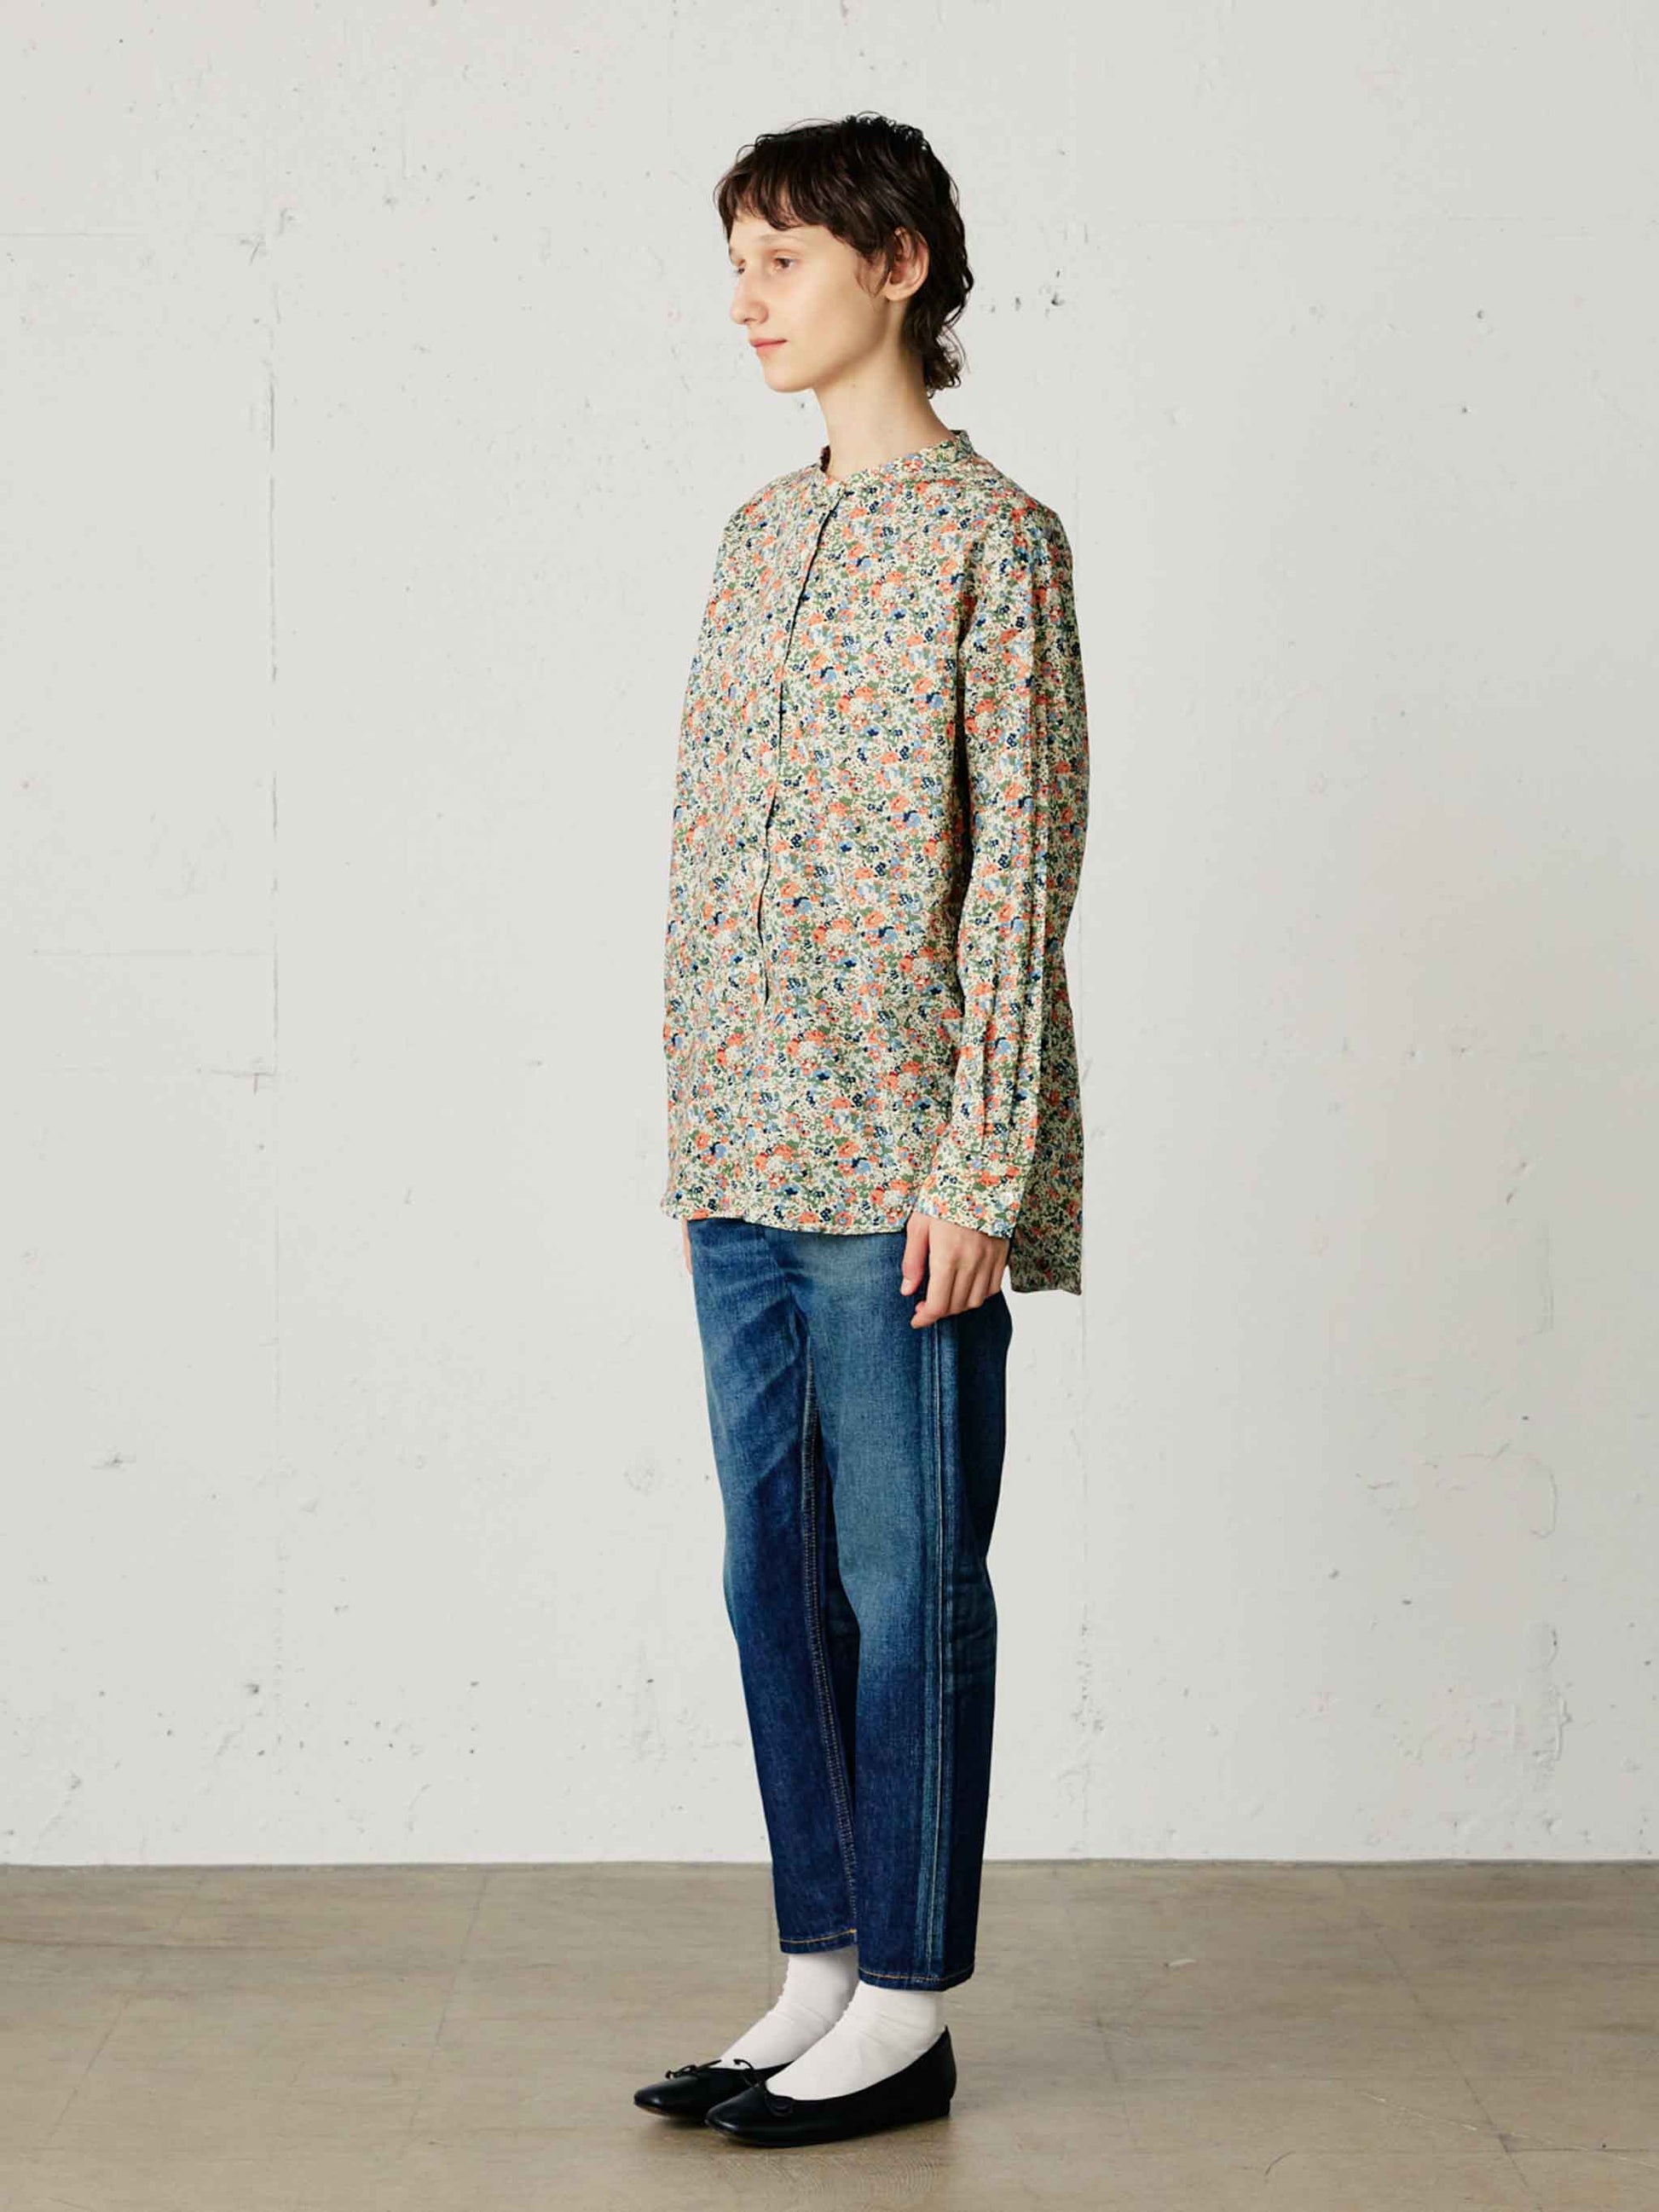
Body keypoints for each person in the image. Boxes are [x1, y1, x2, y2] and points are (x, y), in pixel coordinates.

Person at [636, 111, 1090, 2149]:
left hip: (904, 1163)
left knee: (912, 1585)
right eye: (735, 259)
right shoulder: (754, 537)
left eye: (783, 258)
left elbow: (1020, 874)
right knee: (774, 1578)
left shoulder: (1000, 541)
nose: (745, 299)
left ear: (897, 266)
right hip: (740, 1152)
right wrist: (693, 1126)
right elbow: (708, 857)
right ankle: (817, 1964)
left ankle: (907, 1999)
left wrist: (980, 1164)